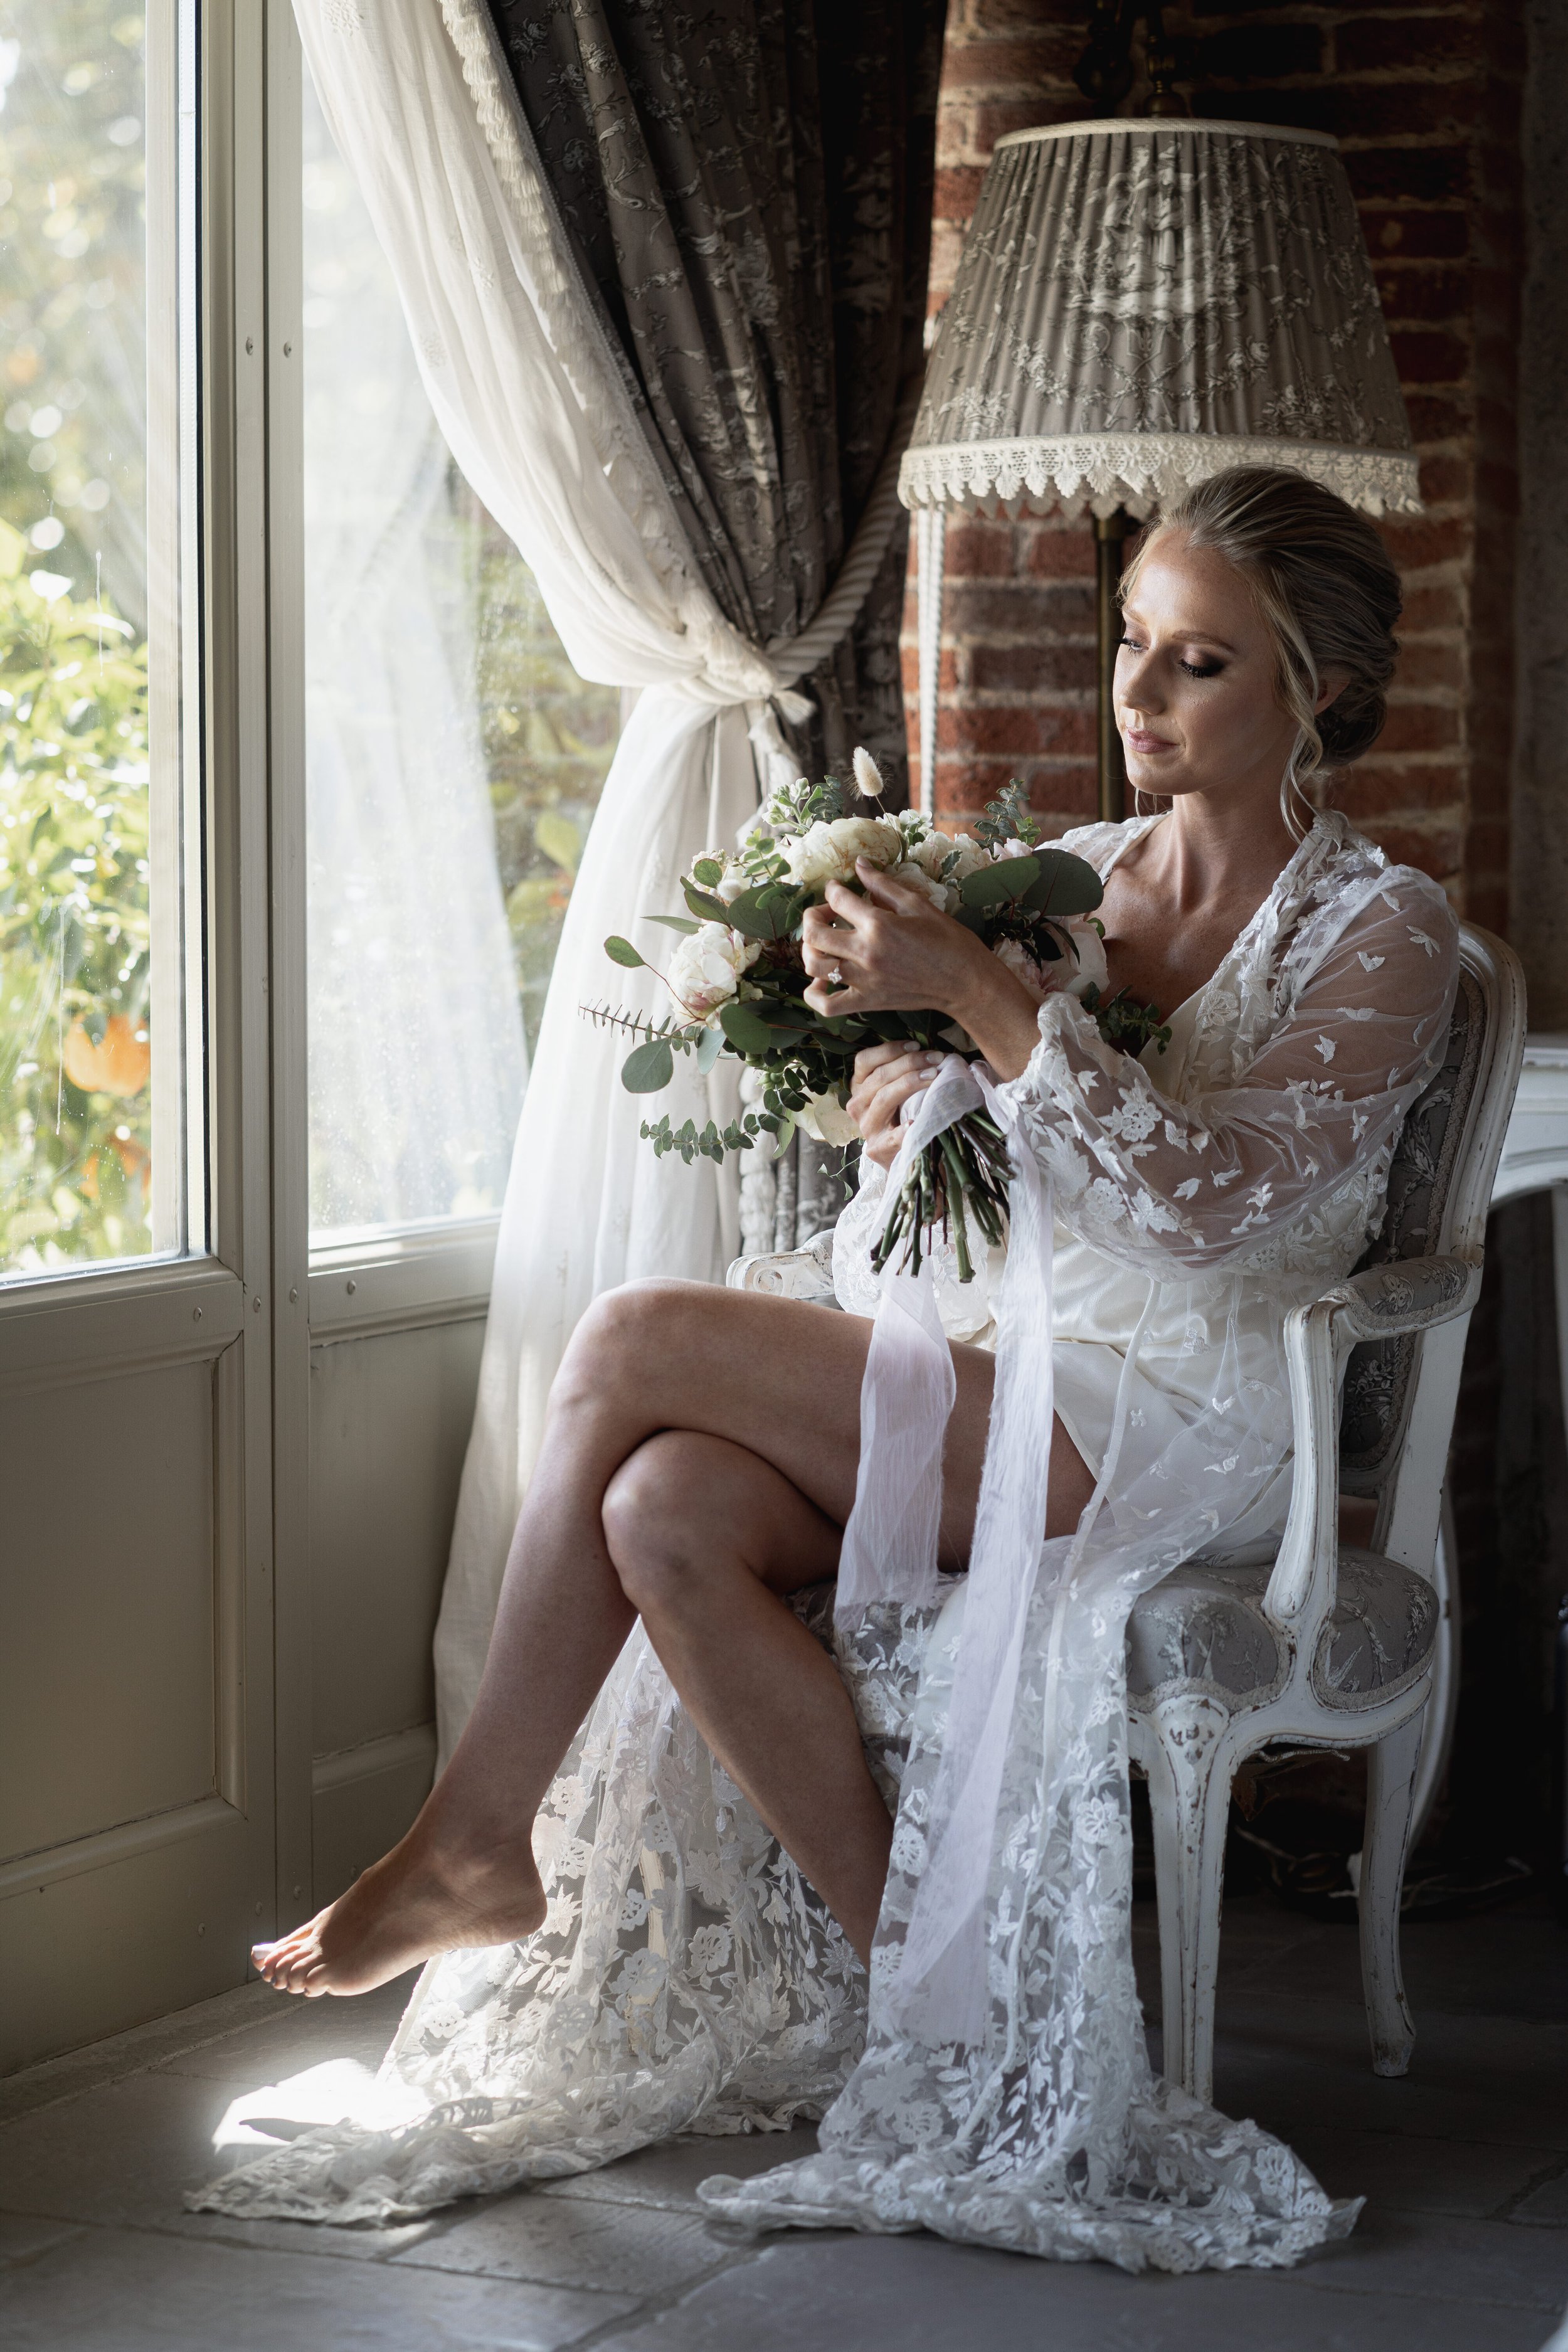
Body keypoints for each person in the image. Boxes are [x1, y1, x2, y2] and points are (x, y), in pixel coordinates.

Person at [200, 467, 1459, 2265]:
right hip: (1001, 1352)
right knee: (665, 1503)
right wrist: (910, 1101)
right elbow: (1017, 1155)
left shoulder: (1384, 928)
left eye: (1197, 664)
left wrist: (979, 1002)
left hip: (1179, 1404)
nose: (1135, 696)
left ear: (1314, 692)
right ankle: (924, 1997)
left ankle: (476, 1834)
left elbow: (1211, 1205)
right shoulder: (1075, 881)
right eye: (1130, 645)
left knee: (636, 1336)